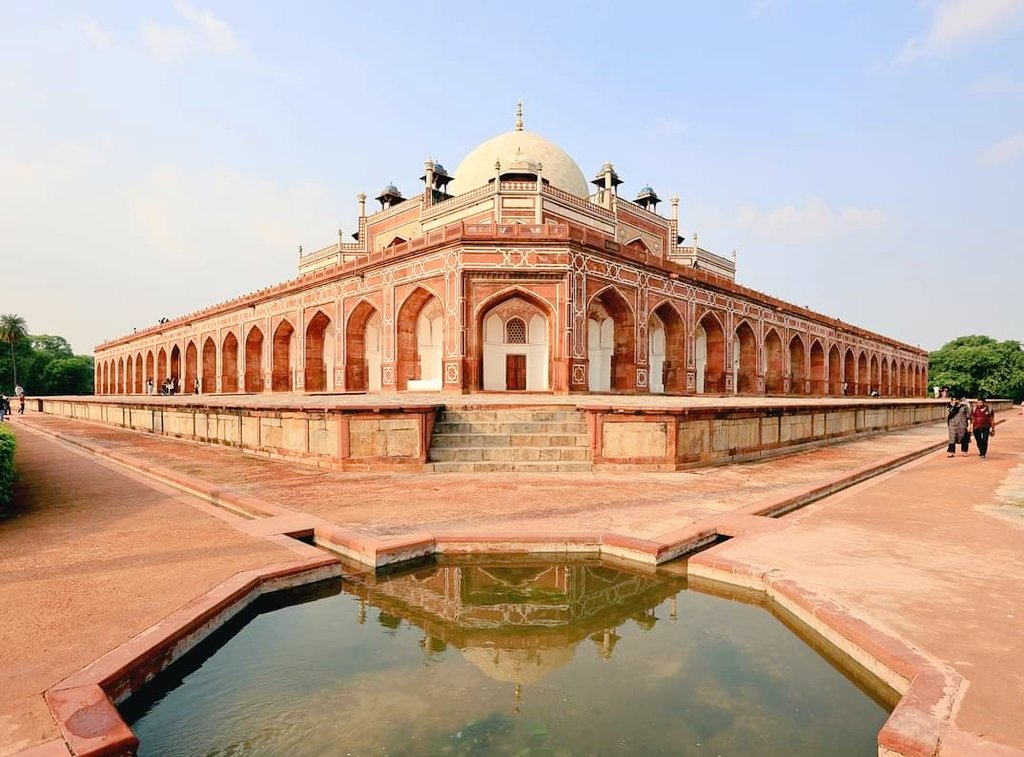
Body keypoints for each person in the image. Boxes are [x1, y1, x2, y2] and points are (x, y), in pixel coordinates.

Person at [971, 395, 996, 459]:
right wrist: (970, 426)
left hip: (986, 427)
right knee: (978, 440)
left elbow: (992, 419)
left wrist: (993, 429)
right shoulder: (974, 409)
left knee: (985, 440)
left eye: (980, 403)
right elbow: (972, 418)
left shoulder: (989, 409)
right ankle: (981, 450)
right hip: (976, 427)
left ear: (984, 403)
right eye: (978, 403)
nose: (978, 404)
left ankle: (983, 453)